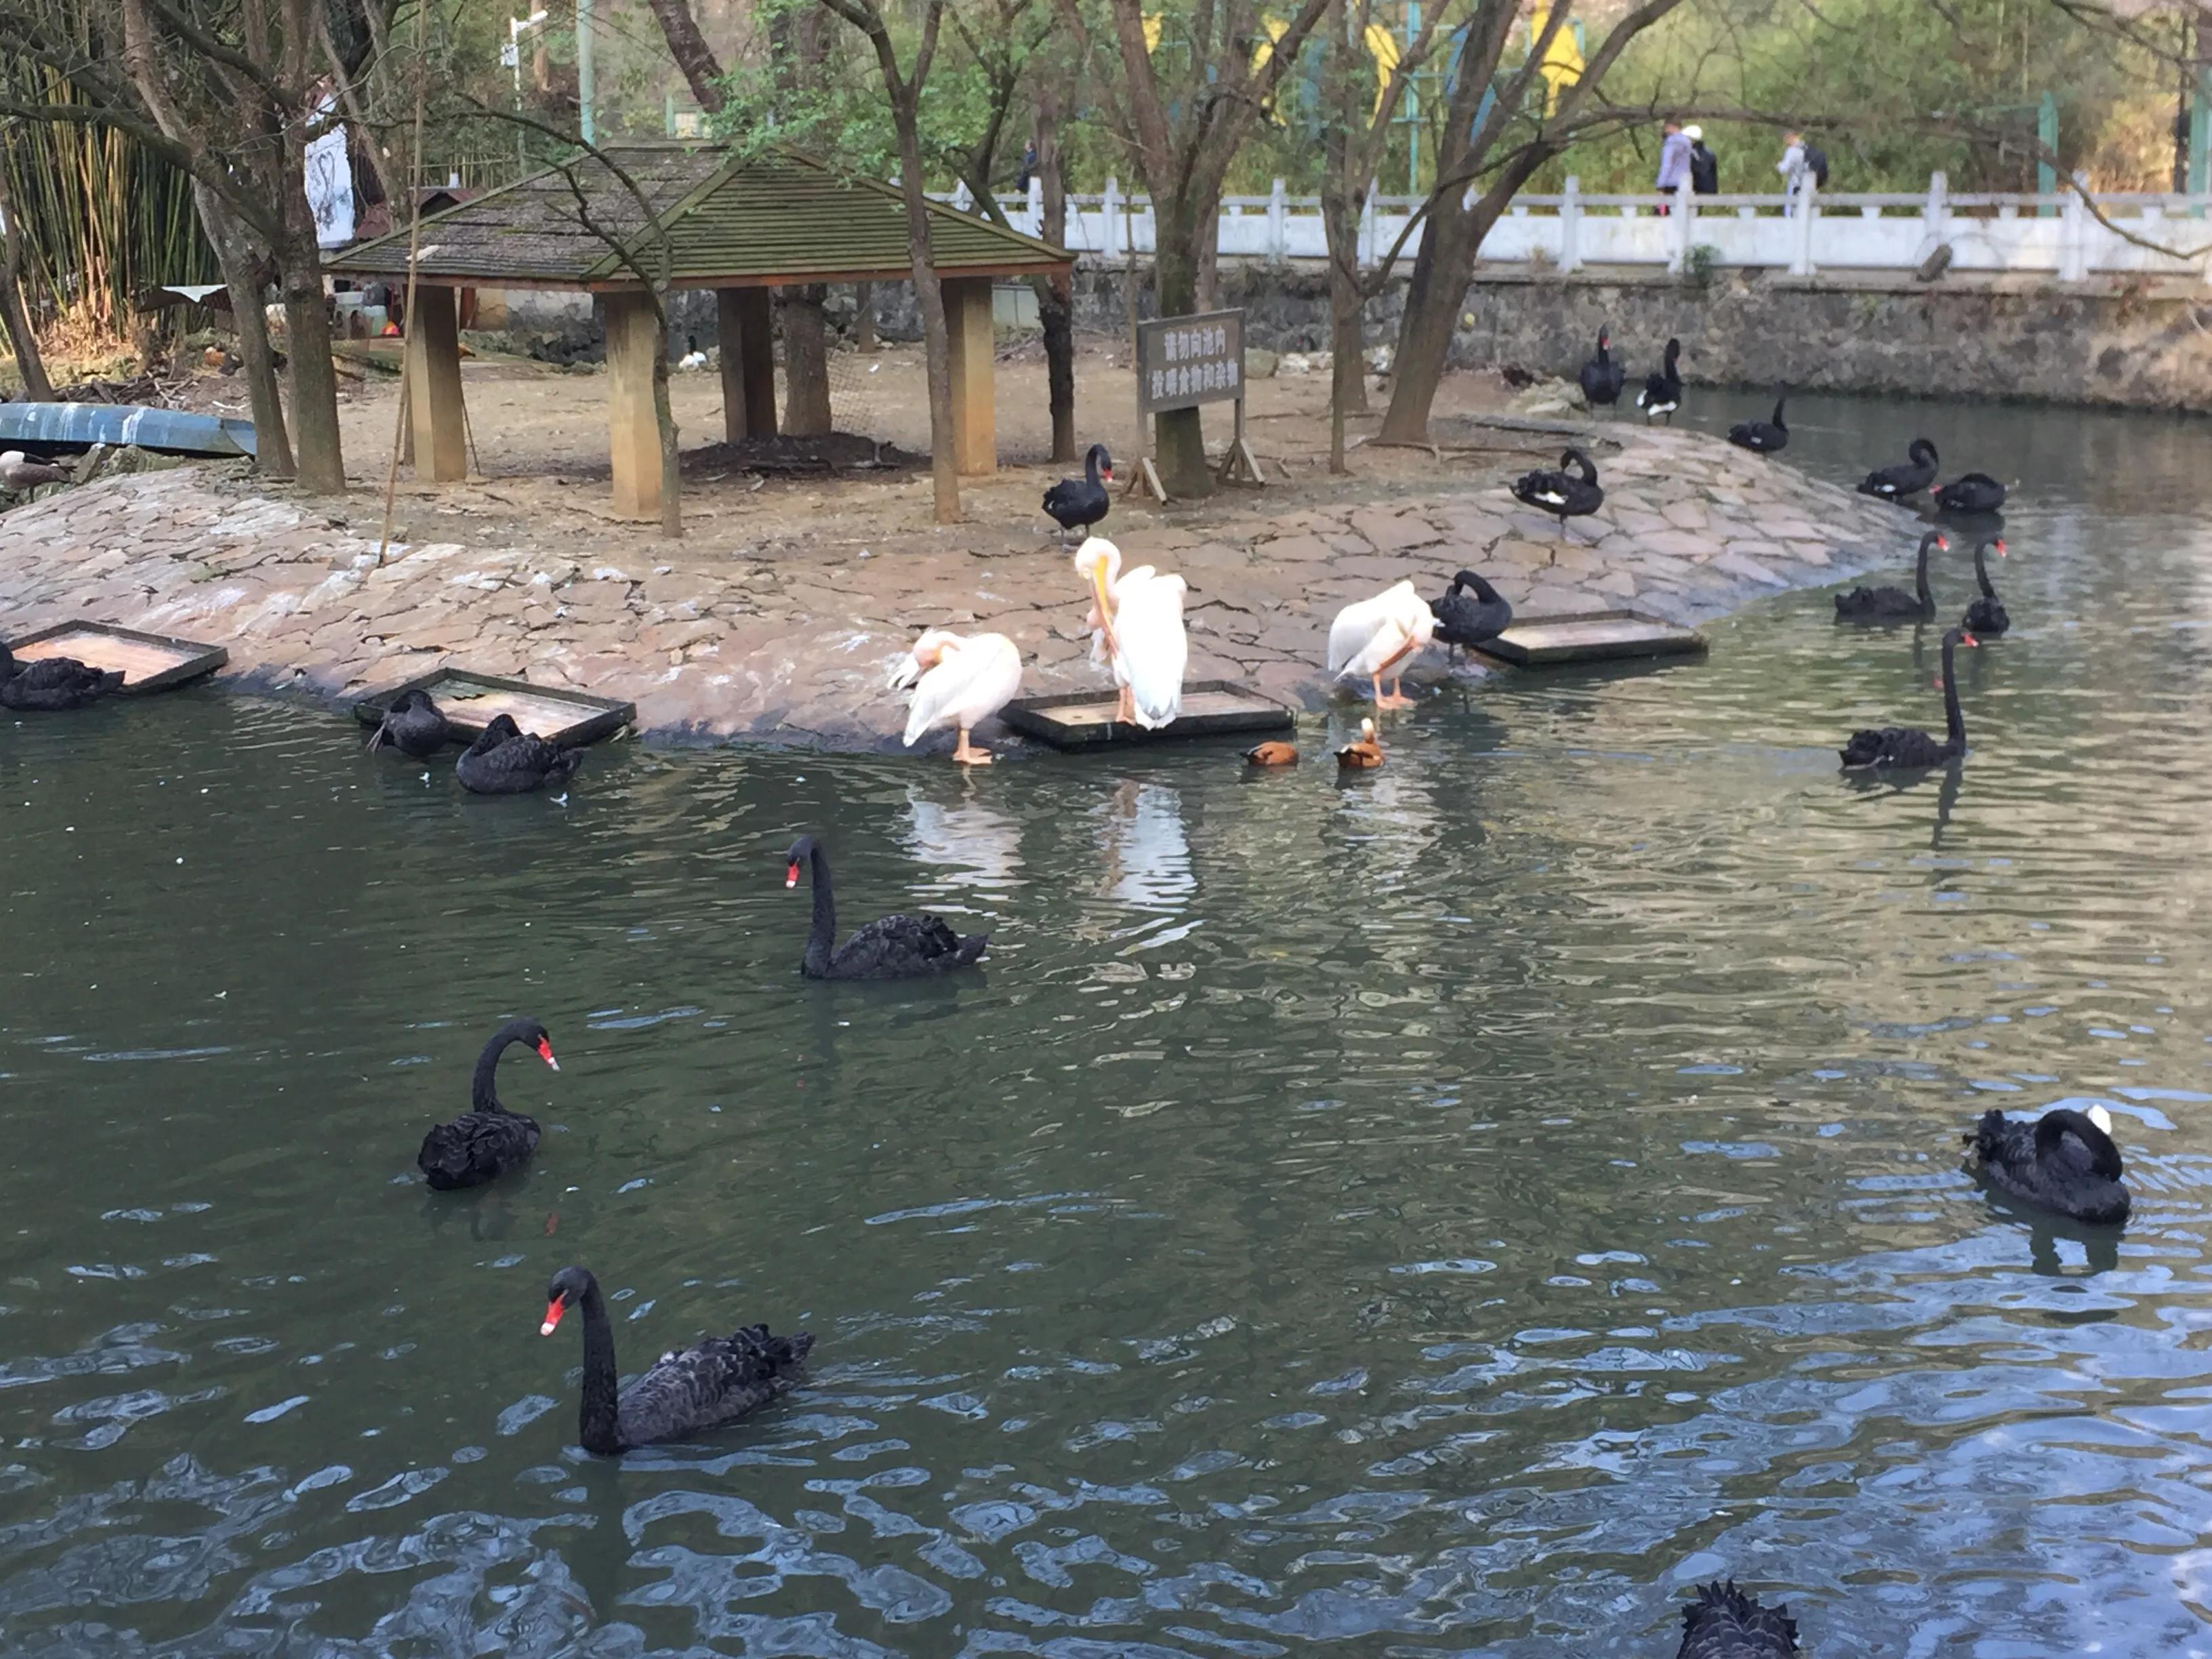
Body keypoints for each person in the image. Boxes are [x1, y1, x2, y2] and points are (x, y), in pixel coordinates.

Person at [1655, 120, 1691, 214]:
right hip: (1684, 184)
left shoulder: (1671, 142)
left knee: (1661, 214)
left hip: (1670, 184)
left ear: (1672, 126)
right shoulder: (1686, 142)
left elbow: (1667, 165)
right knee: (1681, 213)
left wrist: (1660, 185)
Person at [1777, 131, 1807, 216]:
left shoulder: (1792, 151)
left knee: (1790, 206)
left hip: (1795, 183)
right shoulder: (1806, 149)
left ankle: (1789, 221)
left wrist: (1779, 165)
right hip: (1807, 183)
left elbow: (1784, 169)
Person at [1687, 125, 1719, 196]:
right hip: (1711, 192)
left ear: (1692, 139)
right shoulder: (1709, 153)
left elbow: (1698, 173)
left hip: (1699, 192)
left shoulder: (1693, 154)